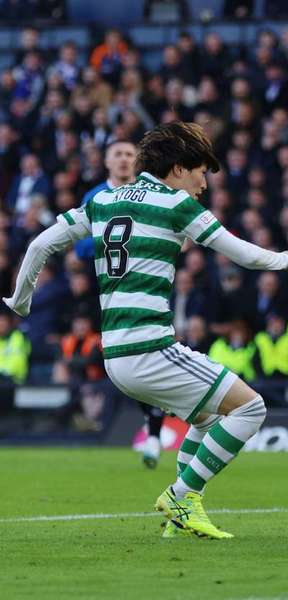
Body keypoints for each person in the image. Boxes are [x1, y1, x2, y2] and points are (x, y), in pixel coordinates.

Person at [3, 122, 288, 539]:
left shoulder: (103, 199)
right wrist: (284, 259)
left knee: (208, 418)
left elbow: (38, 246)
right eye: (200, 173)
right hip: (151, 348)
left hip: (116, 355)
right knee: (251, 409)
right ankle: (182, 495)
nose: (203, 184)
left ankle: (176, 521)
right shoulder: (176, 204)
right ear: (178, 168)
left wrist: (20, 300)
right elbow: (244, 256)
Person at [75, 139, 166, 469]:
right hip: (108, 294)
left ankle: (154, 432)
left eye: (131, 154)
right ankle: (105, 416)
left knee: (151, 351)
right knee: (118, 360)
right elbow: (78, 247)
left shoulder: (150, 193)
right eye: (119, 154)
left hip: (146, 289)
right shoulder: (96, 197)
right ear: (107, 162)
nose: (126, 159)